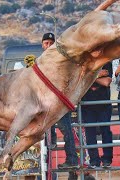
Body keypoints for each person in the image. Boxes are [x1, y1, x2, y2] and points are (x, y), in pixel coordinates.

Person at [41, 33, 79, 170]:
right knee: (43, 135)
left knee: (67, 131)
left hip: (60, 101)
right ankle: (44, 165)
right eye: (46, 43)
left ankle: (72, 160)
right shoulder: (38, 62)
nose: (49, 45)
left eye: (51, 43)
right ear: (42, 45)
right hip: (45, 102)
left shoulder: (63, 60)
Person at [81, 62, 113, 168]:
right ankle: (94, 160)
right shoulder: (84, 60)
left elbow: (107, 82)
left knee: (106, 131)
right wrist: (98, 75)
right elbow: (80, 79)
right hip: (87, 105)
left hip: (103, 104)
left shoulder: (107, 61)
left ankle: (107, 159)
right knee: (90, 133)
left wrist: (89, 76)